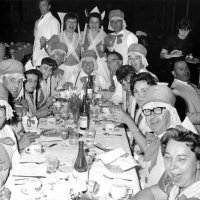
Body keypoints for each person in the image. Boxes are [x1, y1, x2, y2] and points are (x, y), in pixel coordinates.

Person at [113, 85, 182, 188]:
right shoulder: (159, 137)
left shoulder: (176, 145)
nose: (152, 117)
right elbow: (150, 159)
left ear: (171, 112)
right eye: (148, 111)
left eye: (158, 110)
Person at [159, 127, 200, 200]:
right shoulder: (177, 187)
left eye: (181, 159)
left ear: (198, 163)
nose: (172, 166)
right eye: (168, 157)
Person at [82, 7, 110, 85]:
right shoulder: (83, 34)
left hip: (101, 67)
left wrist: (105, 53)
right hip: (87, 65)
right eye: (92, 22)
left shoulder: (106, 36)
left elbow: (113, 52)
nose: (94, 25)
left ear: (100, 23)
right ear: (88, 22)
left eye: (96, 22)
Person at [171, 57, 200, 133]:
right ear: (174, 73)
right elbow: (184, 117)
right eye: (181, 69)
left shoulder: (191, 85)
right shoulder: (175, 91)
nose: (186, 71)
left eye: (187, 67)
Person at [160, 18, 193, 84]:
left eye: (186, 31)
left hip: (184, 70)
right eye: (181, 30)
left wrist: (192, 59)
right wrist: (171, 55)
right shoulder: (170, 38)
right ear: (178, 29)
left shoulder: (190, 41)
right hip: (170, 70)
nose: (184, 33)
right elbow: (161, 56)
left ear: (190, 30)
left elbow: (189, 56)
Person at [33, 0, 60, 67]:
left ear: (49, 6)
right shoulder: (38, 21)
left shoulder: (53, 21)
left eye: (44, 5)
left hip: (46, 61)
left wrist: (44, 45)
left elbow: (56, 41)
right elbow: (36, 41)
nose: (41, 7)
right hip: (36, 58)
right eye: (40, 5)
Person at [59, 12, 81, 82]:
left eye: (74, 22)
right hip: (62, 70)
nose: (72, 24)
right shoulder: (58, 36)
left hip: (77, 70)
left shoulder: (81, 37)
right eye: (69, 21)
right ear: (64, 22)